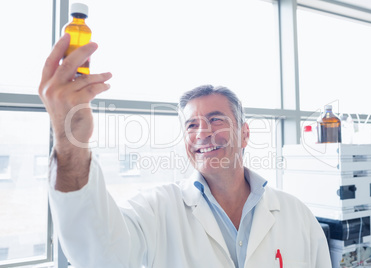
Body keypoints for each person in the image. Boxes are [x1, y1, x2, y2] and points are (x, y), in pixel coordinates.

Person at [39, 34, 331, 268]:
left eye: (216, 119)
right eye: (191, 125)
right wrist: (69, 140)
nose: (202, 132)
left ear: (244, 134)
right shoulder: (157, 209)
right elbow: (100, 255)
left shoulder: (297, 215)